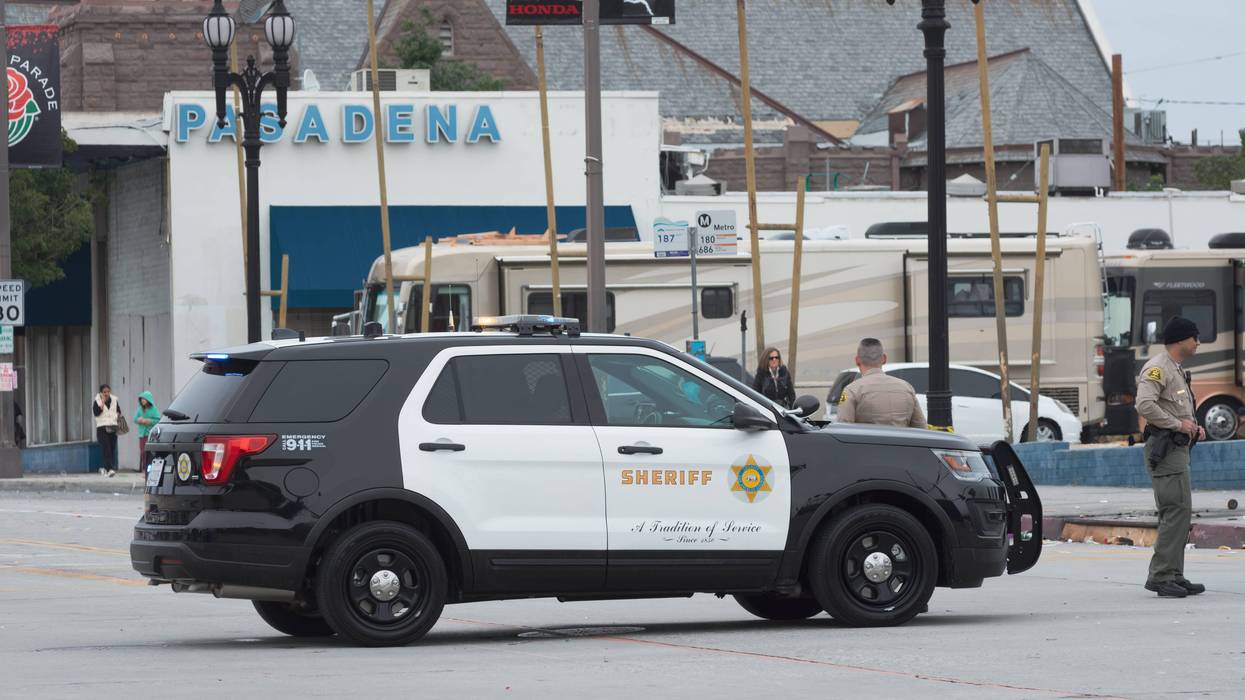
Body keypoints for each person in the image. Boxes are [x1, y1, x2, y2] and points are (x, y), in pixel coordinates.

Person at [1135, 316, 1206, 598]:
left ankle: (1174, 573)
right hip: (1165, 451)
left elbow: (1177, 409)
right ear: (1180, 340)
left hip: (1177, 450)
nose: (1198, 343)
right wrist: (1179, 425)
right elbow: (1144, 404)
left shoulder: (1176, 369)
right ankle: (1161, 575)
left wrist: (1193, 427)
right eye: (1194, 338)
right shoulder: (1157, 368)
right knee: (1174, 512)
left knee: (1181, 512)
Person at [836, 338, 926, 428]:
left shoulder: (850, 390)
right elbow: (921, 427)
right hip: (902, 442)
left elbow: (843, 427)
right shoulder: (907, 388)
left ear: (857, 360)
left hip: (867, 442)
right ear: (884, 359)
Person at [92, 384, 121, 477]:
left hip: (112, 426)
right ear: (101, 393)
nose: (106, 394)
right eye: (104, 392)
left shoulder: (114, 400)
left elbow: (118, 410)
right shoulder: (97, 401)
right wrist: (102, 404)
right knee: (106, 448)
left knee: (112, 448)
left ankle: (104, 468)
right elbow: (96, 413)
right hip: (102, 428)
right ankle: (110, 469)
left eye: (108, 391)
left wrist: (117, 415)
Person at [134, 391, 161, 471]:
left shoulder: (154, 409)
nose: (142, 401)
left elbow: (158, 420)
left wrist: (149, 421)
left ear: (148, 400)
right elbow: (135, 419)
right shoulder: (139, 409)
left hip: (151, 435)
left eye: (144, 399)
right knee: (143, 452)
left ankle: (151, 469)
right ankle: (145, 470)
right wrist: (139, 420)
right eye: (141, 399)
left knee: (150, 452)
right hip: (142, 435)